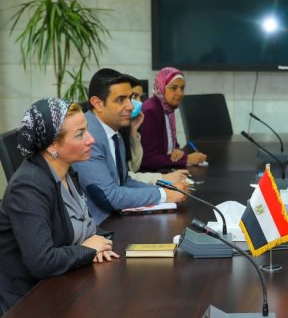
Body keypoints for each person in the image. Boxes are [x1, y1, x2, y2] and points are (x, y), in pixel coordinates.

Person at [0, 99, 119, 310]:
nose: (91, 139)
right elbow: (41, 262)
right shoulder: (28, 187)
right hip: (29, 300)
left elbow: (84, 227)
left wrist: (99, 243)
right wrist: (87, 250)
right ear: (53, 145)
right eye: (80, 134)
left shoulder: (68, 171)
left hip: (64, 284)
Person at [73, 69, 188, 224]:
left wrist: (166, 190)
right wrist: (164, 195)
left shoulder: (115, 131)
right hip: (96, 228)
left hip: (114, 218)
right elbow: (110, 196)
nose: (130, 106)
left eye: (130, 98)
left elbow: (125, 181)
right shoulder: (87, 136)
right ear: (98, 103)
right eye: (121, 100)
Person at [121, 75, 188, 185]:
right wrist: (163, 178)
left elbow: (133, 167)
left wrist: (133, 132)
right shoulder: (151, 110)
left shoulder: (168, 111)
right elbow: (129, 174)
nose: (139, 102)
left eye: (140, 97)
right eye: (134, 96)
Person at [140, 67, 207, 172]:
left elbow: (170, 146)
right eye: (173, 88)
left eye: (182, 88)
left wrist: (176, 150)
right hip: (152, 176)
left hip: (164, 170)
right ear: (161, 87)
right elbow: (147, 160)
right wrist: (186, 159)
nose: (180, 93)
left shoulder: (167, 108)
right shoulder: (151, 111)